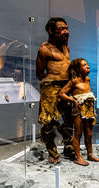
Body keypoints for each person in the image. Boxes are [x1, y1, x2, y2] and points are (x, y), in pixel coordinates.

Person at [36, 17, 75, 164]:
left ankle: (68, 147)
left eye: (67, 28)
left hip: (66, 87)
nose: (66, 32)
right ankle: (52, 151)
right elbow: (39, 73)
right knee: (49, 121)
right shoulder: (44, 50)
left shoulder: (66, 47)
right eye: (62, 29)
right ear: (51, 31)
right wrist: (51, 83)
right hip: (50, 88)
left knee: (69, 119)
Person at [59, 58, 99, 166]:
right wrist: (73, 100)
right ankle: (77, 157)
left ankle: (90, 154)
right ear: (78, 69)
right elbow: (61, 93)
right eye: (84, 65)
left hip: (88, 108)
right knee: (78, 133)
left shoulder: (87, 79)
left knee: (89, 133)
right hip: (78, 109)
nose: (87, 66)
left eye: (87, 64)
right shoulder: (74, 81)